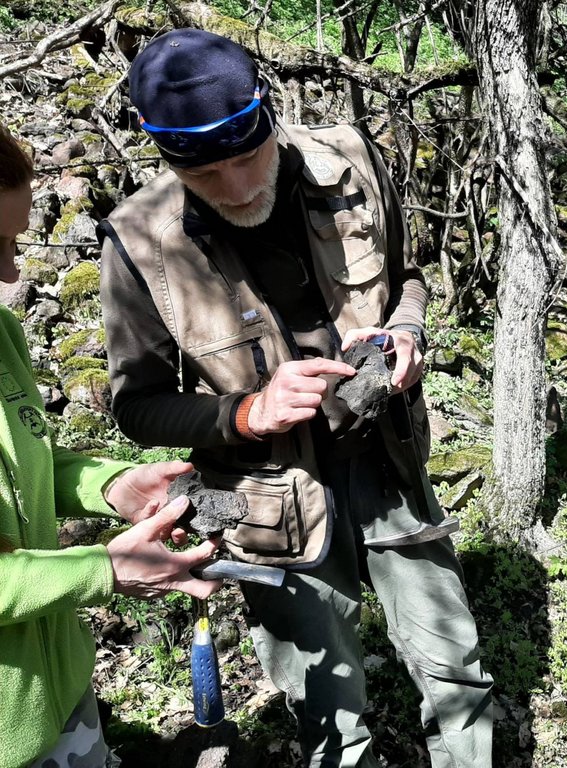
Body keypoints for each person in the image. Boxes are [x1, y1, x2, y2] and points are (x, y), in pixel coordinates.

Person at [98, 28, 493, 768]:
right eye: (209, 176)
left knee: (456, 671)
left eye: (250, 156)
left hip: (388, 463)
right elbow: (137, 405)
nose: (241, 187)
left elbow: (409, 275)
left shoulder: (351, 161)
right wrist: (246, 413)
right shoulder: (139, 242)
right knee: (327, 705)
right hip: (263, 498)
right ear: (167, 159)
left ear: (269, 116)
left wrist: (405, 331)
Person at [0, 123, 221, 768]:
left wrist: (111, 485)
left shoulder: (2, 336)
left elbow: (32, 464)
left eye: (15, 240)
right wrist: (106, 569)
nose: (12, 271)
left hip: (60, 694)